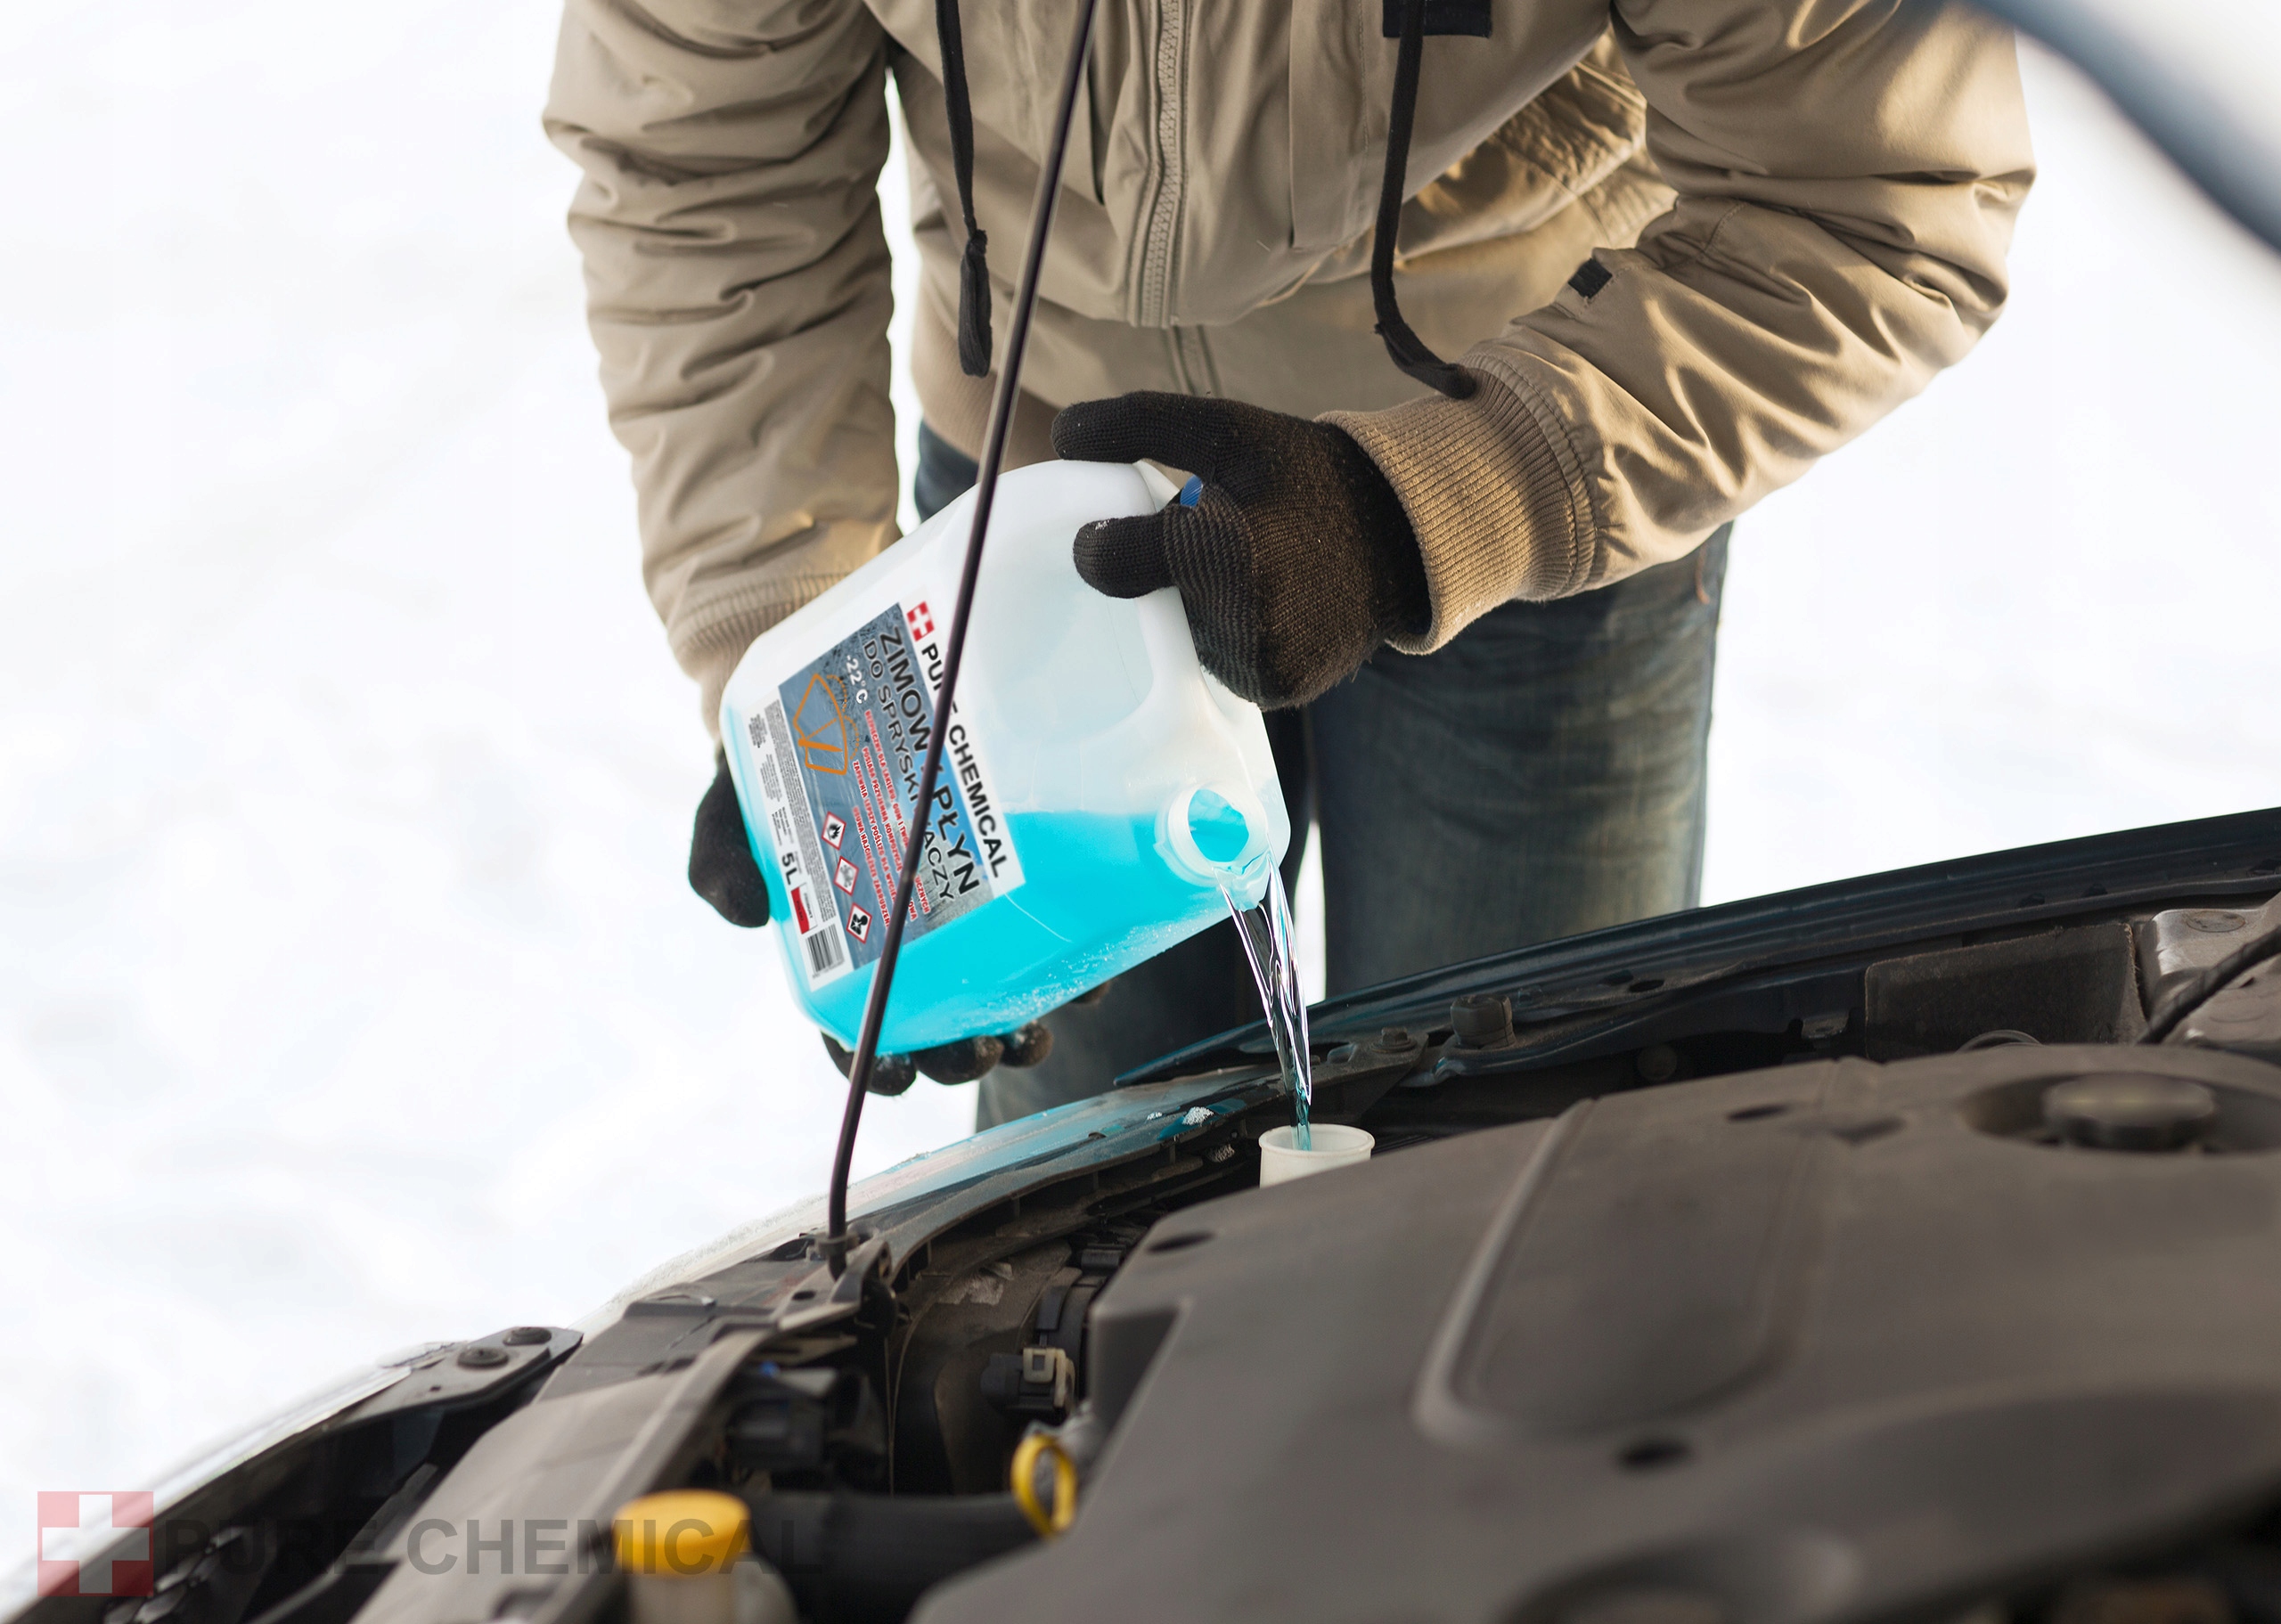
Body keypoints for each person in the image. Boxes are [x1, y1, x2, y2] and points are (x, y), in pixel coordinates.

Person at [544, 0, 2032, 1126]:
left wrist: (1429, 505)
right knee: (1085, 1215)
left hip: (1533, 492)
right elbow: (699, 163)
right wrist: (804, 649)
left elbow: (1874, 196)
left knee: (1512, 1177)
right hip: (1036, 525)